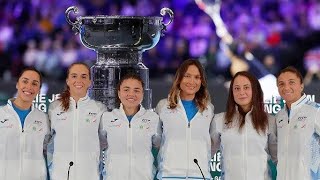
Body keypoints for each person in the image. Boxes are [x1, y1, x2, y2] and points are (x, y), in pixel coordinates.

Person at [212, 71, 277, 180]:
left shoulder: (269, 121)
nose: (241, 92)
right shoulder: (219, 120)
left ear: (255, 90)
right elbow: (204, 155)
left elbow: (279, 159)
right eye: (237, 88)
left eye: (246, 87)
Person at [155, 59, 215, 179]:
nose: (192, 81)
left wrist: (204, 158)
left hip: (200, 176)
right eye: (187, 76)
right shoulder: (163, 106)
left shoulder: (209, 109)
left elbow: (213, 142)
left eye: (197, 77)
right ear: (179, 78)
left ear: (201, 81)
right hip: (169, 176)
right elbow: (156, 140)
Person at [47, 62, 106, 180]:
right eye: (74, 76)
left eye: (83, 76)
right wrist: (52, 165)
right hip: (60, 174)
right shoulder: (54, 107)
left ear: (90, 82)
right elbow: (48, 141)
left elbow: (105, 142)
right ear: (68, 80)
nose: (79, 80)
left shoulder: (99, 108)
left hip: (89, 174)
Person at [99, 73, 160, 180]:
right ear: (119, 93)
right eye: (126, 90)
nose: (131, 94)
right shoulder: (106, 118)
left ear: (142, 93)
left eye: (136, 90)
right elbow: (99, 147)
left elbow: (158, 149)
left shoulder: (153, 118)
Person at [0, 67, 50, 180]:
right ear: (17, 84)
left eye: (34, 83)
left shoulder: (44, 119)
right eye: (25, 81)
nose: (29, 87)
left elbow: (49, 153)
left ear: (39, 89)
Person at [276, 66, 320, 180]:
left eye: (291, 82)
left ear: (301, 86)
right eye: (281, 84)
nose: (286, 87)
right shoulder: (279, 116)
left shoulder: (315, 111)